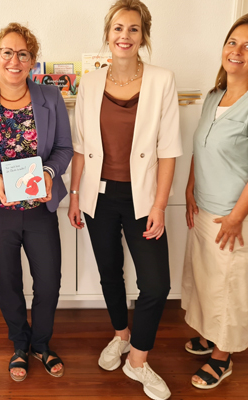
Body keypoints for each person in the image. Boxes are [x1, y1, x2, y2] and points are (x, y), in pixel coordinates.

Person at [68, 1, 182, 399]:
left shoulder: (163, 80)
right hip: (98, 196)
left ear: (143, 35)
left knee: (156, 284)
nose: (125, 36)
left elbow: (168, 150)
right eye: (118, 28)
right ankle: (120, 335)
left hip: (144, 198)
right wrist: (73, 194)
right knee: (109, 273)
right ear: (108, 33)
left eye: (133, 29)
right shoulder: (90, 81)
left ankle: (138, 360)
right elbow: (81, 146)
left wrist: (159, 205)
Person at [0, 22, 73, 382]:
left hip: (39, 209)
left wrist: (51, 174)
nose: (14, 60)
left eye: (23, 53)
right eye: (7, 52)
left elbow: (64, 149)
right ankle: (19, 345)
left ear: (32, 61)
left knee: (49, 281)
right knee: (7, 281)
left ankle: (42, 343)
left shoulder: (49, 97)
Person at [181, 13, 248, 390]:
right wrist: (190, 188)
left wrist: (235, 217)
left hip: (238, 217)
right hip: (206, 209)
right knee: (208, 281)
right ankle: (211, 336)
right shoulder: (213, 97)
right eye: (232, 42)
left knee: (231, 287)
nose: (237, 51)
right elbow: (200, 147)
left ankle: (223, 357)